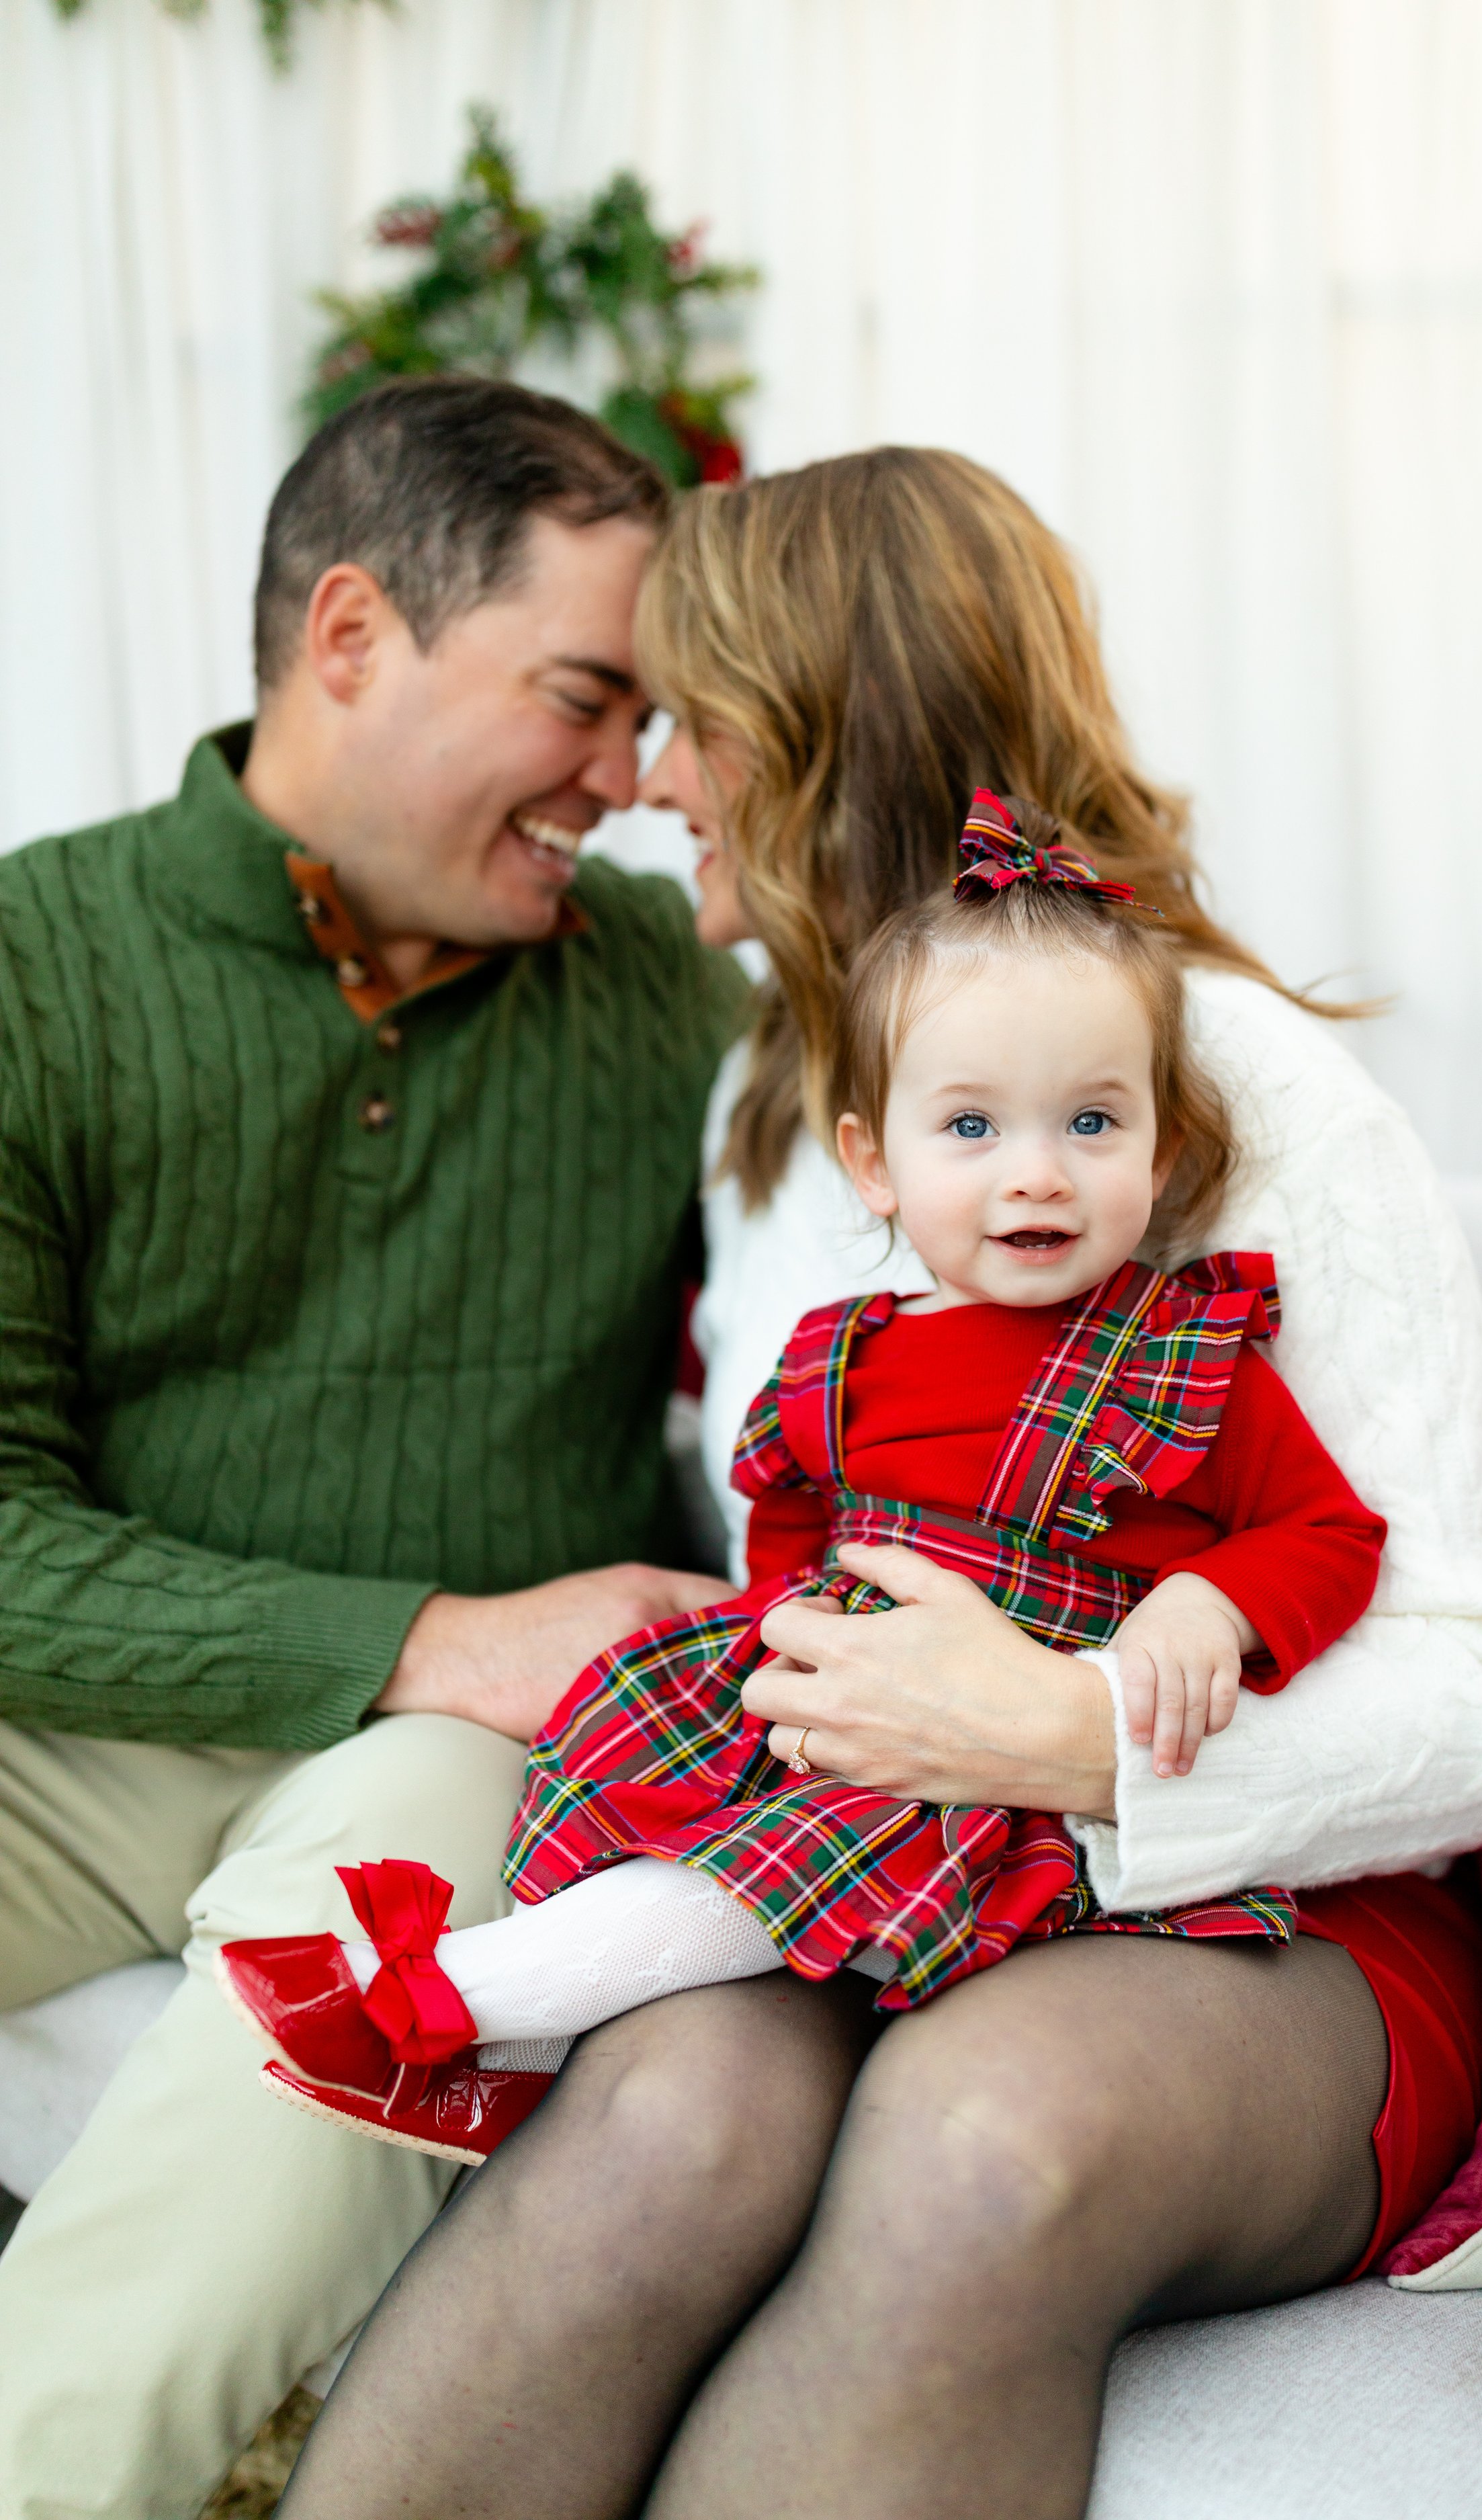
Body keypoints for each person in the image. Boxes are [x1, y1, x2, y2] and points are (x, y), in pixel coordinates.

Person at [273, 448, 1482, 2520]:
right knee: (665, 2126)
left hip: (1260, 1917)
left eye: (692, 721)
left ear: (822, 744)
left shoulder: (1223, 1085)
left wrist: (1073, 1734)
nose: (650, 779)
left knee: (979, 2135)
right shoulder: (779, 1098)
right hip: (867, 1862)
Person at [0, 377, 748, 2520]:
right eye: (584, 699)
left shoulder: (665, 988)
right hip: (77, 1726)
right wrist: (429, 1628)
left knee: (384, 1931)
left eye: (648, 721)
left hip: (447, 1761)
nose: (627, 779)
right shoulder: (36, 962)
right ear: (351, 635)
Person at [217, 788, 1387, 2140]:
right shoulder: (840, 1354)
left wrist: (1209, 1605)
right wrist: (776, 1657)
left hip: (986, 1777)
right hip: (837, 1705)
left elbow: (1331, 1535)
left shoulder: (1184, 1358)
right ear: (872, 1164)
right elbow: (784, 1527)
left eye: (1090, 1124)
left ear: (1161, 1151)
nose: (1036, 1175)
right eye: (970, 1128)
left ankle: (457, 1999)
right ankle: (520, 2049)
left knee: (790, 1850)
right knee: (619, 1737)